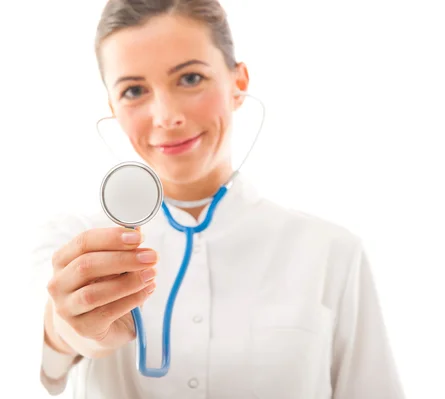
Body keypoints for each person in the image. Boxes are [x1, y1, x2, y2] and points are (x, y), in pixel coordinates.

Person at [34, 0, 406, 398]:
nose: (166, 116)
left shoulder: (331, 251)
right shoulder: (73, 243)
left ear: (238, 83)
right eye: (135, 90)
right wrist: (70, 326)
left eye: (190, 78)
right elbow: (44, 362)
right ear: (112, 107)